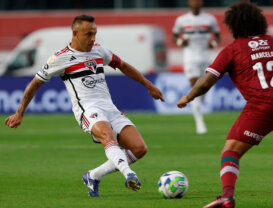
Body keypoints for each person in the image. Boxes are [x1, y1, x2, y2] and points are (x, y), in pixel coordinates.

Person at [5, 14, 164, 197]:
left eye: (94, 33)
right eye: (89, 34)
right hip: (87, 110)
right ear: (75, 33)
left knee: (139, 148)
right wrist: (19, 113)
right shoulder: (60, 58)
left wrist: (149, 85)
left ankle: (93, 175)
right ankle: (129, 174)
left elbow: (123, 65)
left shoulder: (99, 50)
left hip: (109, 108)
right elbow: (34, 84)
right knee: (107, 135)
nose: (93, 38)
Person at [177, 2, 273, 208]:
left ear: (234, 25)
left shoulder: (232, 50)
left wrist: (188, 96)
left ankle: (227, 196)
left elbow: (206, 81)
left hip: (262, 107)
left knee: (231, 150)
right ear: (261, 22)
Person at [172, 0, 220, 134]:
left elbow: (217, 36)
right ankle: (200, 123)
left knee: (205, 87)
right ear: (189, 3)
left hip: (205, 57)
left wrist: (214, 43)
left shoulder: (210, 19)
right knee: (195, 86)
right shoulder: (181, 20)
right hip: (190, 57)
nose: (196, 3)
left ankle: (199, 108)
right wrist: (181, 41)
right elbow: (174, 36)